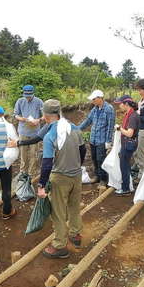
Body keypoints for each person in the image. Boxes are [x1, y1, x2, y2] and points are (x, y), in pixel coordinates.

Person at [37, 99, 86, 259]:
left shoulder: (50, 135)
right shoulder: (74, 128)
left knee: (57, 212)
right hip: (76, 175)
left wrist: (41, 185)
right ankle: (75, 235)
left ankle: (59, 245)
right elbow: (82, 150)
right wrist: (77, 165)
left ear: (45, 115)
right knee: (74, 206)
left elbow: (46, 163)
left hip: (60, 177)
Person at [78, 89, 115, 187]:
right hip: (93, 139)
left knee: (101, 159)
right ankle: (97, 177)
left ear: (100, 98)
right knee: (94, 158)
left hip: (102, 140)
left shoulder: (109, 109)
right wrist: (78, 129)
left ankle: (104, 179)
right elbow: (88, 120)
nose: (92, 101)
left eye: (94, 99)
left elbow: (110, 126)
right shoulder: (95, 109)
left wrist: (108, 141)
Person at [14, 85, 44, 177]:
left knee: (33, 155)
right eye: (26, 95)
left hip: (35, 133)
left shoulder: (39, 102)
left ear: (33, 93)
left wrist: (38, 120)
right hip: (23, 131)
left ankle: (31, 175)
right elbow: (15, 114)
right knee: (23, 155)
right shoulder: (20, 101)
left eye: (29, 95)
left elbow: (44, 116)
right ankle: (23, 173)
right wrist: (22, 118)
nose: (27, 97)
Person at [114, 95, 140, 196]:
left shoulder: (133, 116)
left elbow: (129, 133)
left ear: (126, 104)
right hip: (127, 143)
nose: (119, 106)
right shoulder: (129, 114)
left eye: (120, 104)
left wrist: (120, 128)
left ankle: (125, 189)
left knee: (124, 165)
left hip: (129, 144)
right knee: (125, 164)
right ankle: (127, 185)